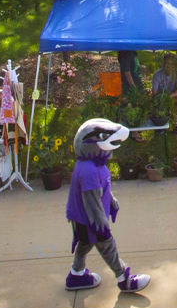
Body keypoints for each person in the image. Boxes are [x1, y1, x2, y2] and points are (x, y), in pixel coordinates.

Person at [62, 119, 150, 293]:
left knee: (85, 243)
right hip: (88, 218)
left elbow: (102, 189)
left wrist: (111, 202)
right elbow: (91, 200)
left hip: (82, 217)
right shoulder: (89, 170)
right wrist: (101, 225)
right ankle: (123, 279)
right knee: (107, 246)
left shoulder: (97, 165)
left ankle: (76, 275)